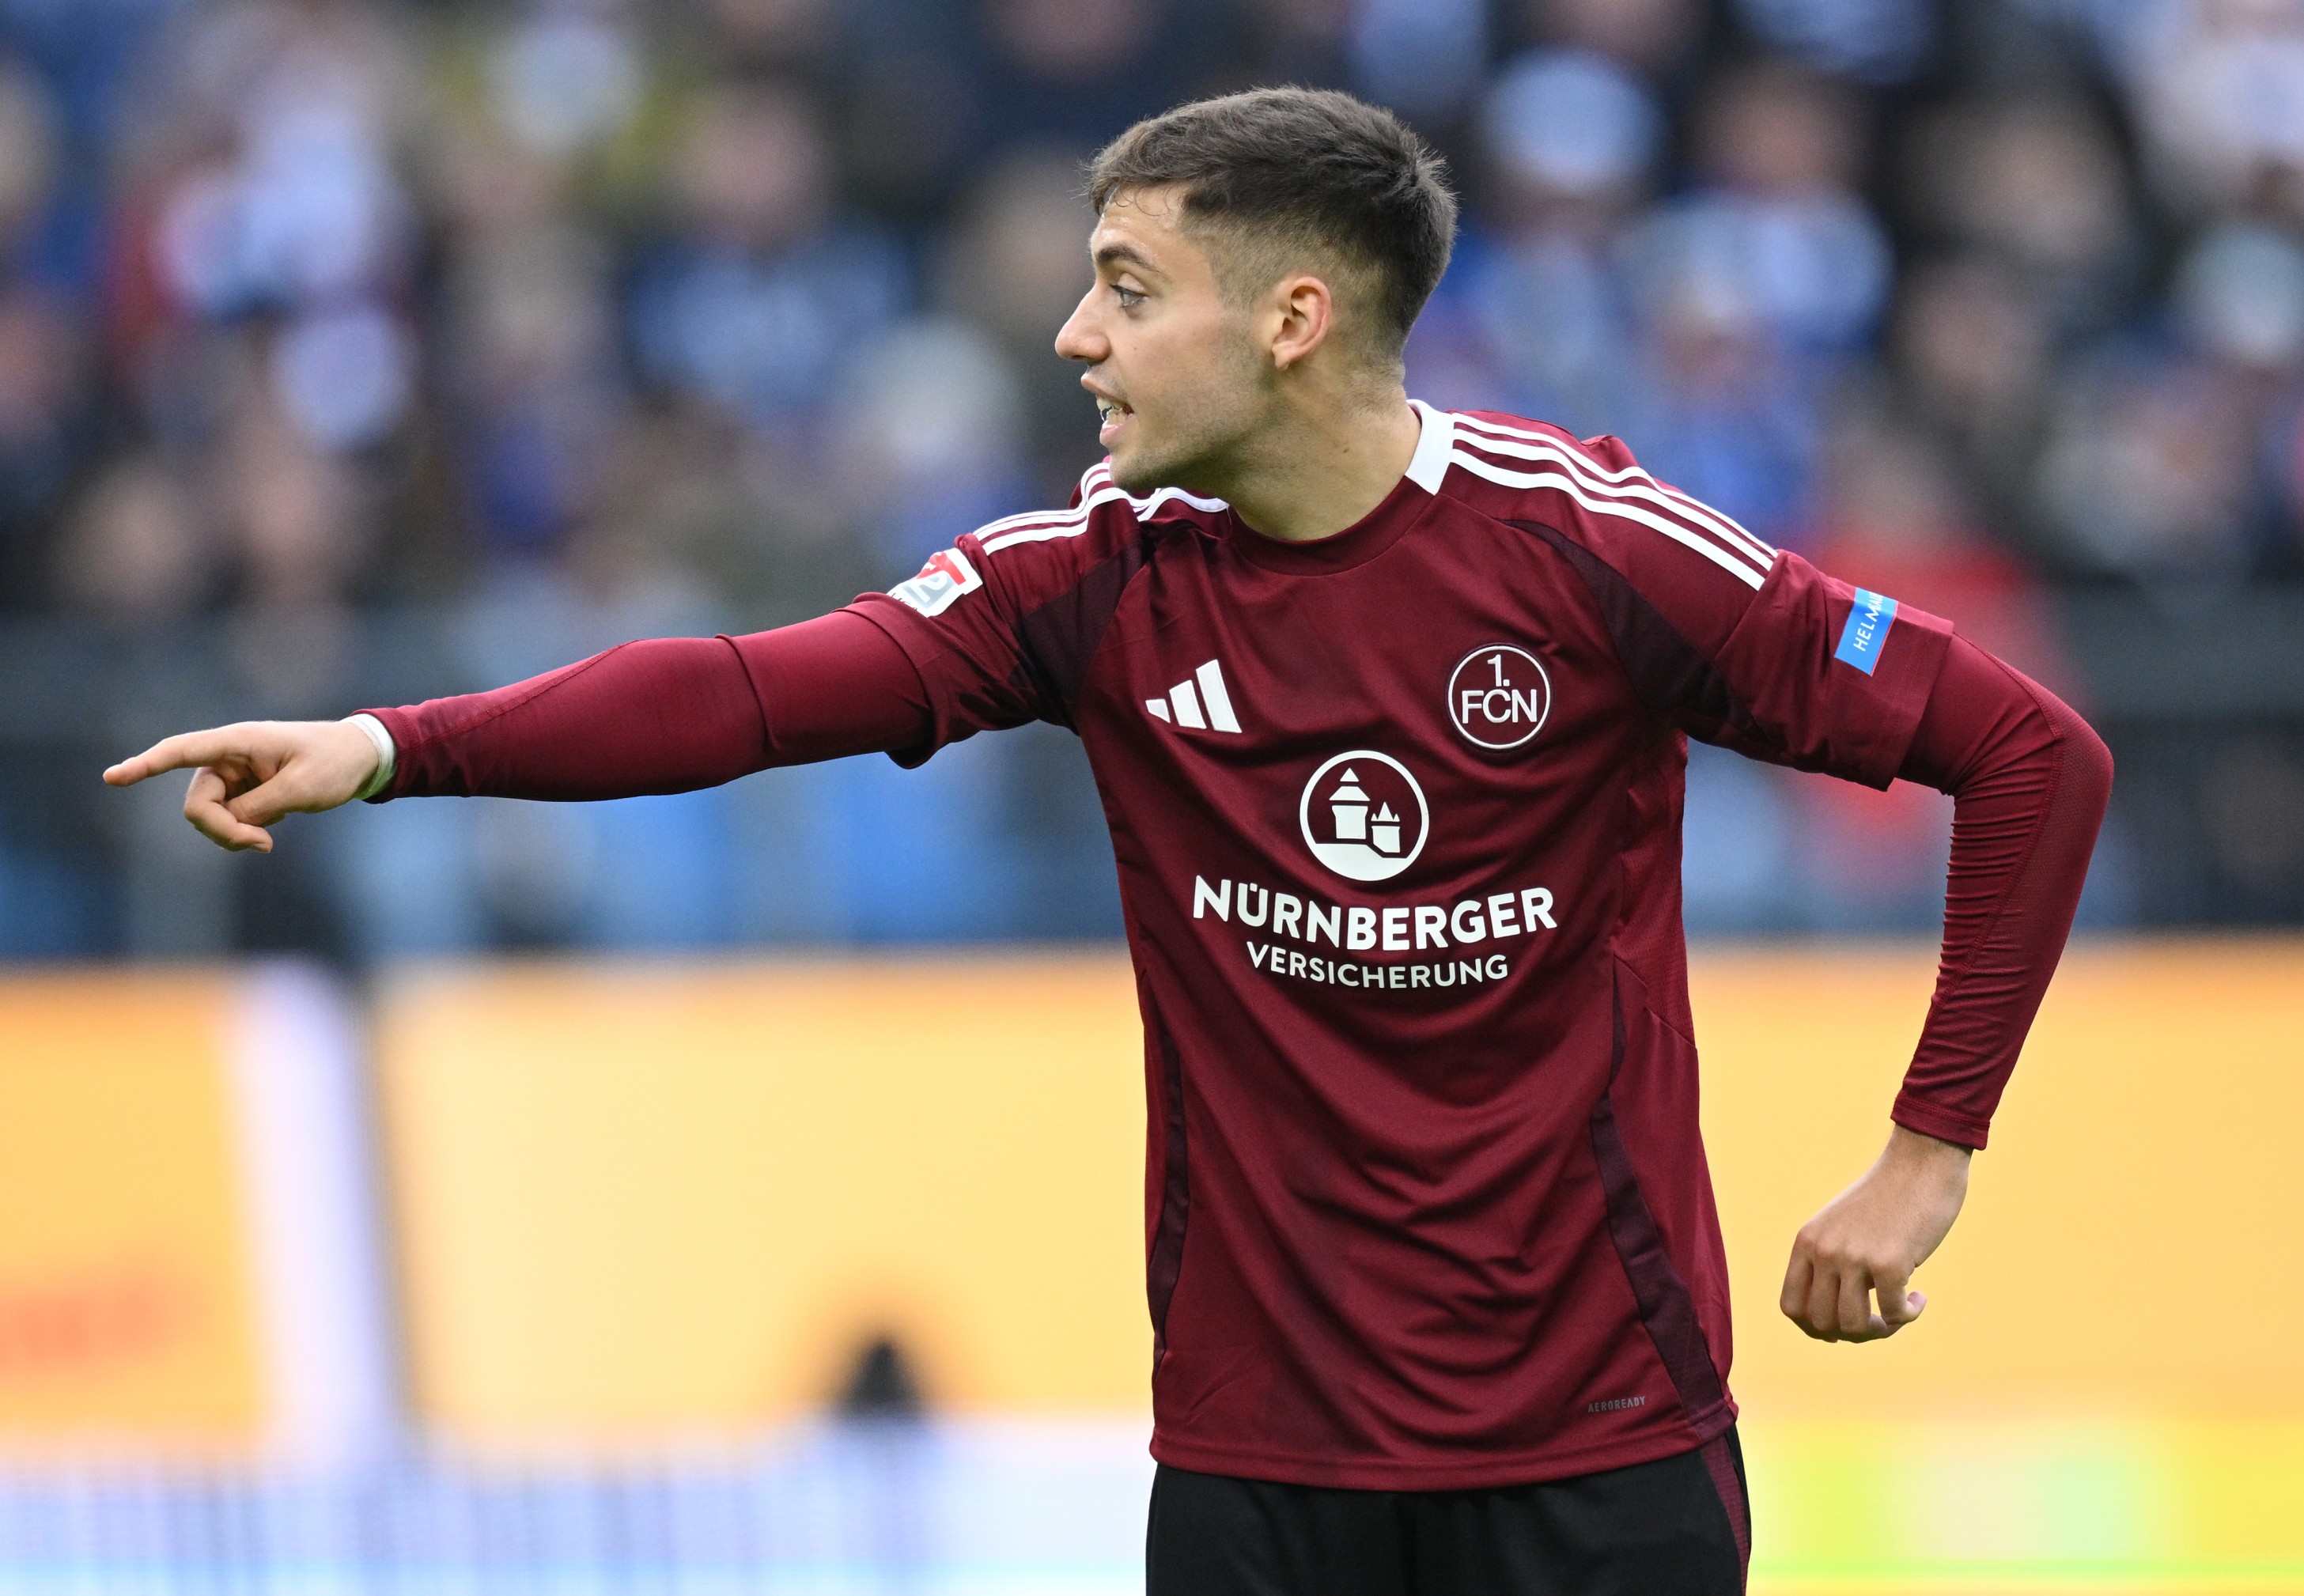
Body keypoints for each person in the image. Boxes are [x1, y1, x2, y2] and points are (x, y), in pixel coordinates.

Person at [104, 89, 2112, 1596]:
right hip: (1256, 1469)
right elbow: (742, 690)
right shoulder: (1090, 579)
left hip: (1597, 1453)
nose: (1073, 333)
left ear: (1296, 320)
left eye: (1128, 289)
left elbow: (2028, 752)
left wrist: (1926, 1155)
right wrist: (383, 743)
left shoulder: (1590, 552)